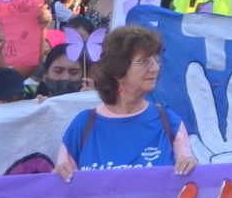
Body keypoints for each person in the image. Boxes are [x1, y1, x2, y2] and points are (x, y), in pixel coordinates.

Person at [54, 26, 197, 173]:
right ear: (118, 70)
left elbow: (185, 185)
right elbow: (64, 188)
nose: (155, 68)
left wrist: (190, 167)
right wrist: (59, 175)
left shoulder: (169, 122)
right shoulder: (83, 125)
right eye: (144, 61)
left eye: (156, 59)